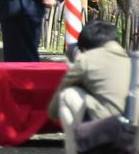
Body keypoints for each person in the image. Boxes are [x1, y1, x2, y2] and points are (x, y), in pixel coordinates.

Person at [49, 20, 134, 154]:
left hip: (109, 131)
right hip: (134, 133)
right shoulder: (132, 59)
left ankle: (75, 150)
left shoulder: (86, 59)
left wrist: (77, 74)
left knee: (68, 94)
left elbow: (53, 111)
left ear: (85, 48)